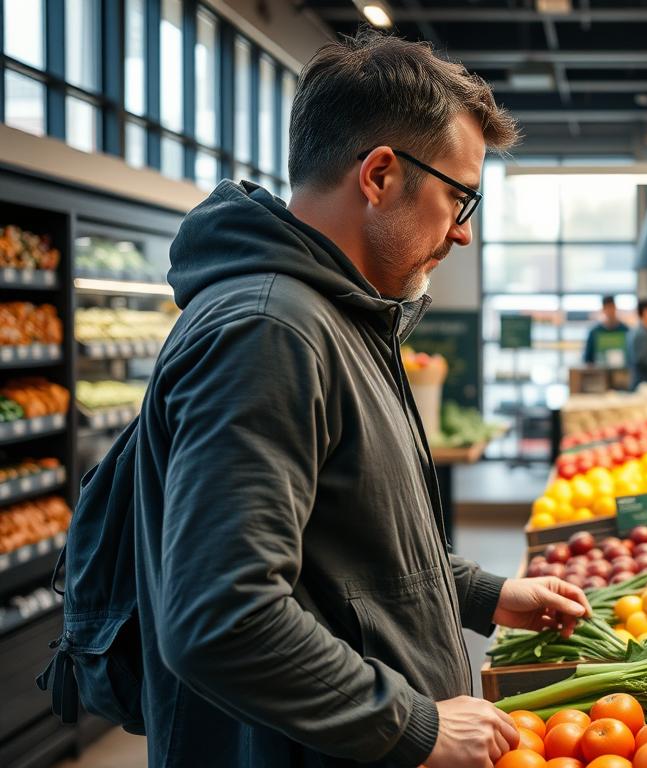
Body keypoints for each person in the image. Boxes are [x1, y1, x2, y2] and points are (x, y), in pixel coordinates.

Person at [128, 31, 588, 768]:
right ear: (379, 175)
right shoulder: (270, 330)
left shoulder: (337, 318)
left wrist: (484, 594)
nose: (463, 234)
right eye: (459, 197)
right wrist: (413, 724)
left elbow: (346, 546)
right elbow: (222, 615)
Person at [582, 295, 628, 365]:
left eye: (612, 307)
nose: (610, 311)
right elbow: (588, 358)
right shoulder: (594, 332)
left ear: (615, 308)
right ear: (603, 310)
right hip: (599, 372)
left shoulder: (625, 330)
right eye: (607, 308)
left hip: (622, 372)